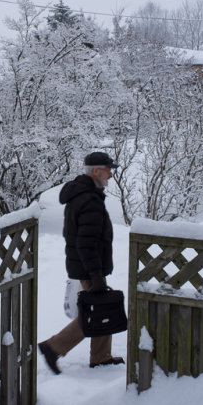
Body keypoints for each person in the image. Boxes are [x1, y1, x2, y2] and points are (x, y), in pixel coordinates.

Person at [38, 151, 125, 374]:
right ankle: (53, 346)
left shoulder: (84, 194)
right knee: (95, 312)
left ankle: (100, 356)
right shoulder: (89, 200)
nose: (110, 176)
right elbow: (86, 243)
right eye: (108, 171)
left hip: (86, 265)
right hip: (89, 267)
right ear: (96, 171)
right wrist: (96, 274)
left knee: (100, 306)